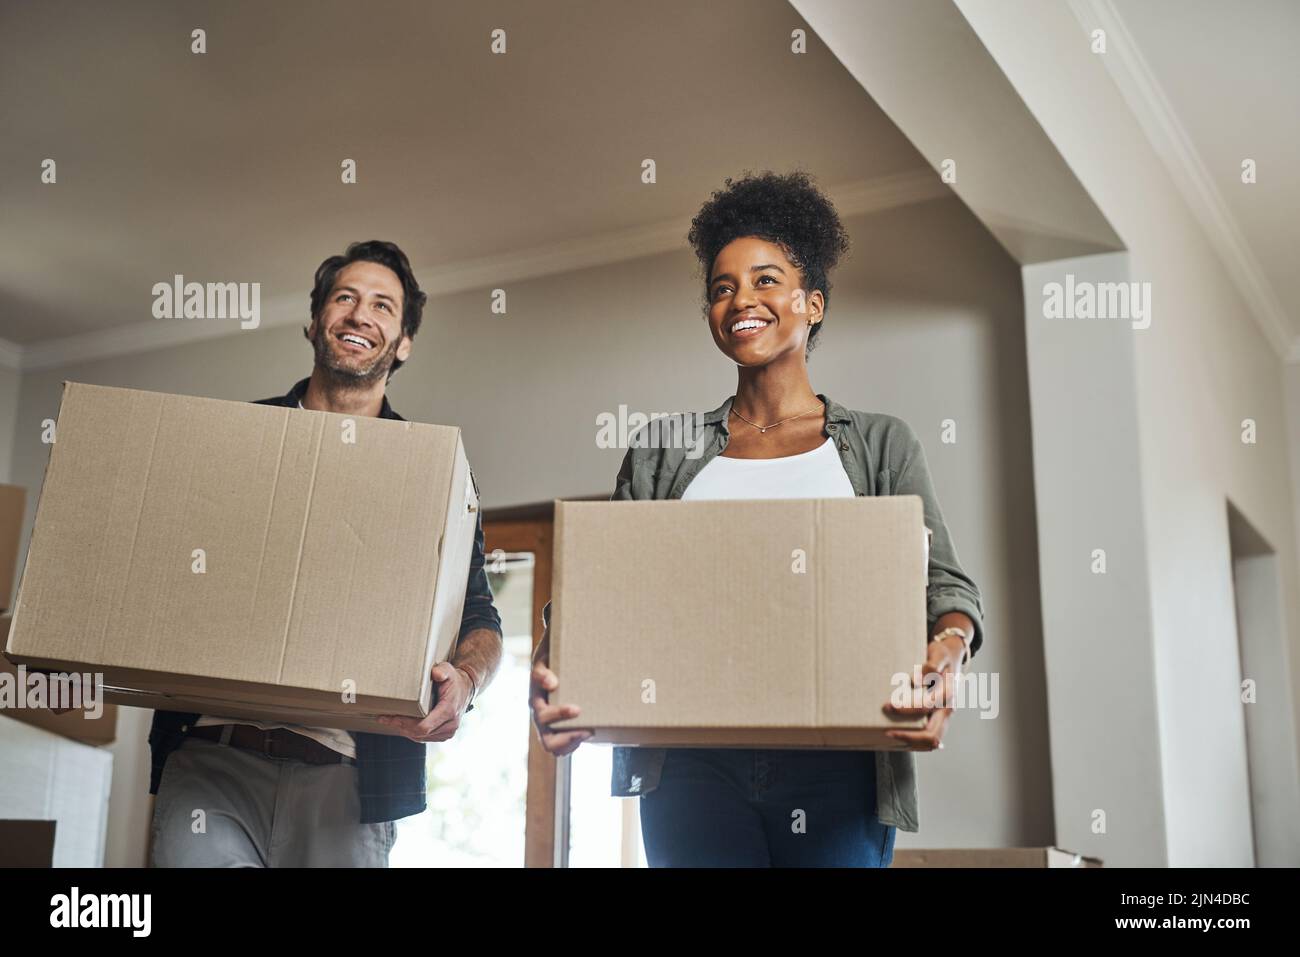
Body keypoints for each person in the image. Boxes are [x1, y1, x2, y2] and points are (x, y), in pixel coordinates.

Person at [530, 172, 985, 867]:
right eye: (721, 287)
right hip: (688, 767)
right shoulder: (661, 450)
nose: (741, 298)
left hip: (841, 767)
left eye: (766, 280)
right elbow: (598, 597)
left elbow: (948, 593)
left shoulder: (882, 444)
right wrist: (552, 666)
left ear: (813, 302)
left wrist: (945, 657)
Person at [148, 240, 503, 867]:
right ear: (315, 322)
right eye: (345, 298)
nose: (360, 314)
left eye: (382, 306)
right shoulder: (234, 442)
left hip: (351, 777)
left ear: (404, 341)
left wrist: (467, 682)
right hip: (213, 761)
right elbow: (164, 572)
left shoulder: (437, 474)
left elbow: (478, 616)